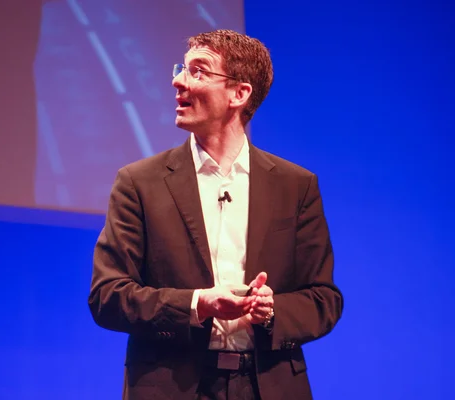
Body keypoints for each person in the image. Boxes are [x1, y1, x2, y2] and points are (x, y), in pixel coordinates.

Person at [89, 29, 343, 400]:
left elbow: (324, 299)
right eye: (182, 68)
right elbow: (108, 296)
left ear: (239, 94)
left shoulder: (295, 186)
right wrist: (197, 304)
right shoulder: (139, 182)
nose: (177, 80)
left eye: (198, 71)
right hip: (173, 387)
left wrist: (273, 310)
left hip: (268, 387)